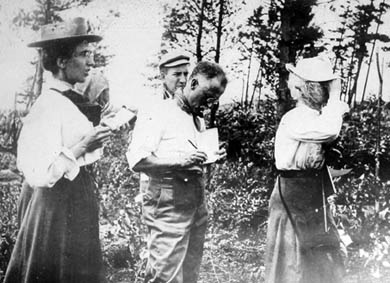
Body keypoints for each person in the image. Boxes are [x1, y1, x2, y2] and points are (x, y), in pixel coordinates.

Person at [5, 17, 111, 283]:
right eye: (84, 54)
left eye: (92, 54)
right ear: (62, 61)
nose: (91, 62)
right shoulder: (48, 105)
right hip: (56, 205)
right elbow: (40, 171)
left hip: (75, 199)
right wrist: (83, 147)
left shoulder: (69, 101)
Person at [127, 61, 227, 283]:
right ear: (193, 82)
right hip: (168, 201)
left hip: (195, 200)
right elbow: (138, 161)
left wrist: (211, 156)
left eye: (216, 97)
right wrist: (179, 163)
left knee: (190, 271)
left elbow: (193, 160)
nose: (212, 102)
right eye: (209, 93)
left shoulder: (197, 119)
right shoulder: (158, 111)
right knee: (166, 274)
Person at [265, 56, 349, 283]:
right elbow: (329, 131)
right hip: (292, 194)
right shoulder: (295, 118)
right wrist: (336, 102)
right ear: (309, 89)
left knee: (319, 258)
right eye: (325, 88)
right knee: (293, 264)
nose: (327, 93)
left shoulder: (317, 117)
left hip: (311, 194)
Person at [138, 50, 191, 197]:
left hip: (188, 188)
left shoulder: (188, 105)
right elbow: (140, 156)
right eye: (177, 74)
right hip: (160, 189)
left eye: (185, 74)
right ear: (163, 76)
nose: (182, 80)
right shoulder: (152, 106)